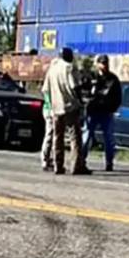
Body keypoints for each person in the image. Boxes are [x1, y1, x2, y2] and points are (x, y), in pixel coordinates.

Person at [41, 47, 91, 175]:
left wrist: (51, 103)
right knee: (75, 137)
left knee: (57, 137)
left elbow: (45, 89)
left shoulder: (52, 69)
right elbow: (75, 86)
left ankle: (58, 165)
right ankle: (76, 166)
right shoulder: (69, 67)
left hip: (55, 107)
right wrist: (81, 100)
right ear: (67, 56)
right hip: (70, 106)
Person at [83, 54, 122, 171]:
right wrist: (88, 101)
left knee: (109, 138)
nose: (104, 65)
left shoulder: (113, 79)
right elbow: (83, 91)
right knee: (86, 136)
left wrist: (112, 108)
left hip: (106, 112)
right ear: (98, 64)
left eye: (106, 63)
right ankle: (81, 160)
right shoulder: (91, 77)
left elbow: (118, 97)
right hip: (92, 111)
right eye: (102, 63)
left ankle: (109, 162)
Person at [41, 89, 54, 171]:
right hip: (50, 111)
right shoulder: (48, 87)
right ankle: (45, 159)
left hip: (48, 110)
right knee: (49, 136)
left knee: (51, 136)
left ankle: (48, 158)